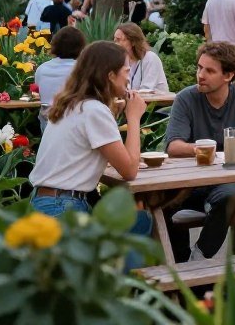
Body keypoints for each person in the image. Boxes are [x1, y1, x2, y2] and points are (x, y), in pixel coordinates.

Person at [28, 41, 152, 270]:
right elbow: (130, 170)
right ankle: (117, 291)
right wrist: (134, 118)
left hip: (47, 203)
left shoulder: (72, 105)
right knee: (140, 221)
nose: (129, 77)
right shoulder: (94, 111)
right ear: (110, 75)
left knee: (137, 219)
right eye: (126, 71)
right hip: (64, 209)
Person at [163, 41, 235, 262]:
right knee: (159, 204)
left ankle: (199, 258)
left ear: (228, 75)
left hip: (229, 182)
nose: (200, 75)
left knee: (231, 195)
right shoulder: (187, 98)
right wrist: (206, 150)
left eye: (209, 70)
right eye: (199, 68)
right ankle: (179, 261)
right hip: (190, 183)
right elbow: (173, 146)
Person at [33, 26, 87, 133]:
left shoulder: (42, 69)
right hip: (74, 125)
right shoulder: (82, 69)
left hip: (47, 124)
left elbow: (37, 92)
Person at [113, 22, 169, 93]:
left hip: (156, 102)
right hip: (132, 101)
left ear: (133, 41)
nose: (115, 45)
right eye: (114, 40)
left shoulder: (150, 58)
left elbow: (146, 90)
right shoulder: (123, 60)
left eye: (119, 40)